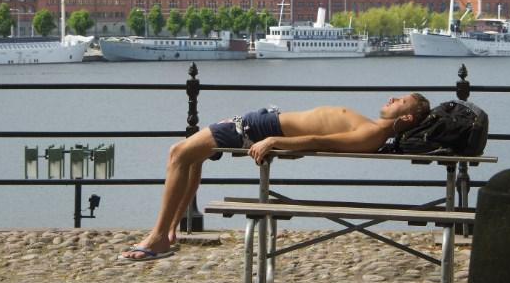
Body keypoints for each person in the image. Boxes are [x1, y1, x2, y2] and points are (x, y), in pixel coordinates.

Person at [119, 93, 430, 262]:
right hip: (262, 123)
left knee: (178, 155)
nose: (392, 98)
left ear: (407, 117)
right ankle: (170, 231)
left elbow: (318, 142)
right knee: (187, 155)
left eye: (400, 101)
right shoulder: (373, 130)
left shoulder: (371, 134)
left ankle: (159, 237)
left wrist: (275, 141)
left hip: (258, 130)